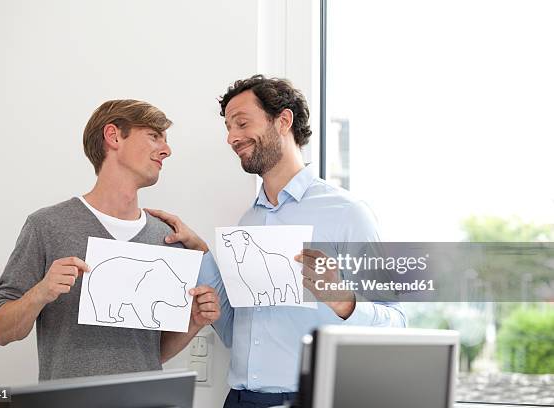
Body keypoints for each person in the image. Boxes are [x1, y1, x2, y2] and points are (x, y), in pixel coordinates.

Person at [148, 75, 407, 408]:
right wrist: (199, 250)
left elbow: (396, 323)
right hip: (240, 400)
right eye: (228, 127)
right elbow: (235, 333)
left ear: (283, 121)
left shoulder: (346, 213)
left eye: (241, 123)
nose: (232, 138)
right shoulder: (248, 223)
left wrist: (344, 301)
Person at [0, 99, 220, 381]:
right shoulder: (46, 226)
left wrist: (193, 322)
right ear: (113, 136)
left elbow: (150, 354)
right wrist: (41, 292)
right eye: (154, 136)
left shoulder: (166, 238)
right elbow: (0, 330)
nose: (167, 150)